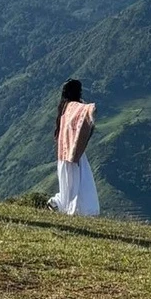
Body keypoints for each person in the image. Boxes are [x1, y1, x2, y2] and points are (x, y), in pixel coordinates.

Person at [48, 79, 100, 216]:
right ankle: (76, 209)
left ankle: (58, 203)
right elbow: (88, 111)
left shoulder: (63, 107)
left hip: (63, 153)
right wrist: (92, 108)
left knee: (67, 185)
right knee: (80, 184)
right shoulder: (75, 106)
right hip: (73, 152)